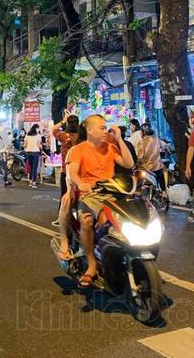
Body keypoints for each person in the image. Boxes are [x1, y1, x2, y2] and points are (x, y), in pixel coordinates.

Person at [58, 114, 133, 287]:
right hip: (91, 194)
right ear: (89, 130)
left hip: (112, 192)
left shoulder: (110, 147)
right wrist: (81, 184)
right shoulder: (78, 150)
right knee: (86, 220)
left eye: (106, 127)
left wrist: (120, 139)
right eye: (101, 127)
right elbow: (72, 173)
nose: (105, 131)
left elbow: (128, 164)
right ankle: (91, 264)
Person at [52, 113, 80, 227]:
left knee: (64, 195)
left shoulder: (64, 136)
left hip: (66, 170)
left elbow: (53, 129)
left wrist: (63, 120)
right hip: (79, 171)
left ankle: (61, 219)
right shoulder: (81, 137)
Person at [136, 122, 167, 193]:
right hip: (158, 167)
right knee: (161, 177)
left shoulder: (141, 143)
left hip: (147, 169)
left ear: (143, 132)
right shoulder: (156, 140)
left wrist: (136, 164)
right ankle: (164, 193)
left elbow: (140, 157)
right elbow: (165, 146)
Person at [24, 124, 42, 188]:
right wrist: (41, 146)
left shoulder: (27, 135)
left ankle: (30, 182)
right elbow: (39, 145)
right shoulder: (38, 135)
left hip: (29, 153)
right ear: (37, 129)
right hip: (35, 152)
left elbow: (25, 145)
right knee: (35, 168)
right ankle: (34, 183)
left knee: (31, 167)